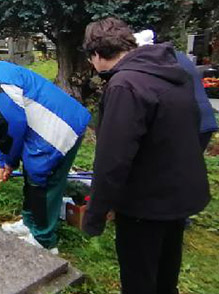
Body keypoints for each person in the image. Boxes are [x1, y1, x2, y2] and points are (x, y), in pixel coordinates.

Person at [82, 18, 210, 294]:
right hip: (177, 194)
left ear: (96, 53)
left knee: (139, 279)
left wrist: (95, 214)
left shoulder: (125, 85)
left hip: (144, 202)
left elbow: (112, 158)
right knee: (166, 273)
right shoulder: (170, 72)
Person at [0, 63, 90, 252]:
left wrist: (9, 162)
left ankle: (45, 241)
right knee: (32, 175)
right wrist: (1, 162)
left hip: (60, 128)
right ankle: (29, 222)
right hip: (42, 128)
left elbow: (13, 126)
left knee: (44, 182)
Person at [134, 29, 219, 153]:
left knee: (178, 164)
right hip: (204, 119)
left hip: (190, 121)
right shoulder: (176, 56)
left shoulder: (158, 61)